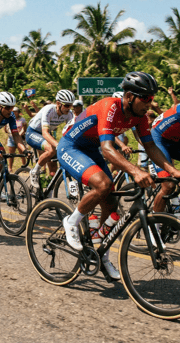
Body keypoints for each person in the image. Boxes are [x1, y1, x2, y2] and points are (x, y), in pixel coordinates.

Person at [57, 71, 180, 280]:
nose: (150, 103)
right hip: (71, 146)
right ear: (130, 96)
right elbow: (107, 148)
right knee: (104, 185)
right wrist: (135, 171)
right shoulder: (110, 106)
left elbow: (150, 145)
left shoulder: (139, 117)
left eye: (152, 98)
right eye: (146, 98)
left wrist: (173, 171)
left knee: (112, 204)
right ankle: (72, 220)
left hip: (91, 149)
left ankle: (100, 254)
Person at [26, 89, 74, 188]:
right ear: (58, 103)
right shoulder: (49, 110)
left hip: (46, 134)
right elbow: (45, 133)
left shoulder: (69, 114)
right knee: (51, 149)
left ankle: (49, 193)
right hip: (33, 132)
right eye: (66, 105)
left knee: (53, 167)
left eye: (71, 105)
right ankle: (34, 171)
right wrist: (58, 145)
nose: (69, 108)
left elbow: (71, 133)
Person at [4, 107, 27, 172]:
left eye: (15, 112)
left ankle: (24, 166)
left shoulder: (22, 120)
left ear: (18, 112)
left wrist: (19, 135)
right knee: (11, 154)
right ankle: (10, 167)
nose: (14, 113)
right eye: (13, 112)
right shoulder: (9, 119)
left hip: (19, 138)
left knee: (22, 153)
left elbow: (24, 128)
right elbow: (6, 129)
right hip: (11, 139)